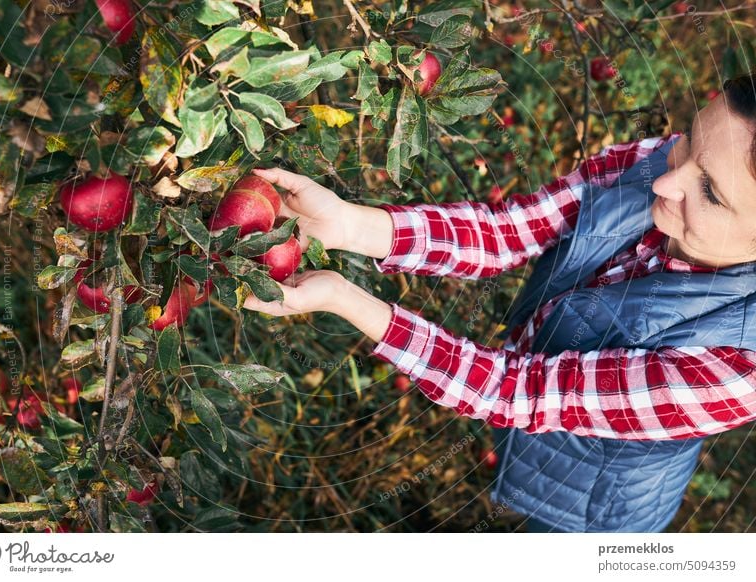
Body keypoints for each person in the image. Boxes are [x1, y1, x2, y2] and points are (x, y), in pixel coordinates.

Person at [242, 71, 756, 533]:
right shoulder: (658, 163)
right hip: (529, 421)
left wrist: (345, 297)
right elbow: (508, 232)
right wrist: (351, 224)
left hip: (593, 506)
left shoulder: (739, 367)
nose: (667, 178)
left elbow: (518, 391)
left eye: (710, 192)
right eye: (688, 139)